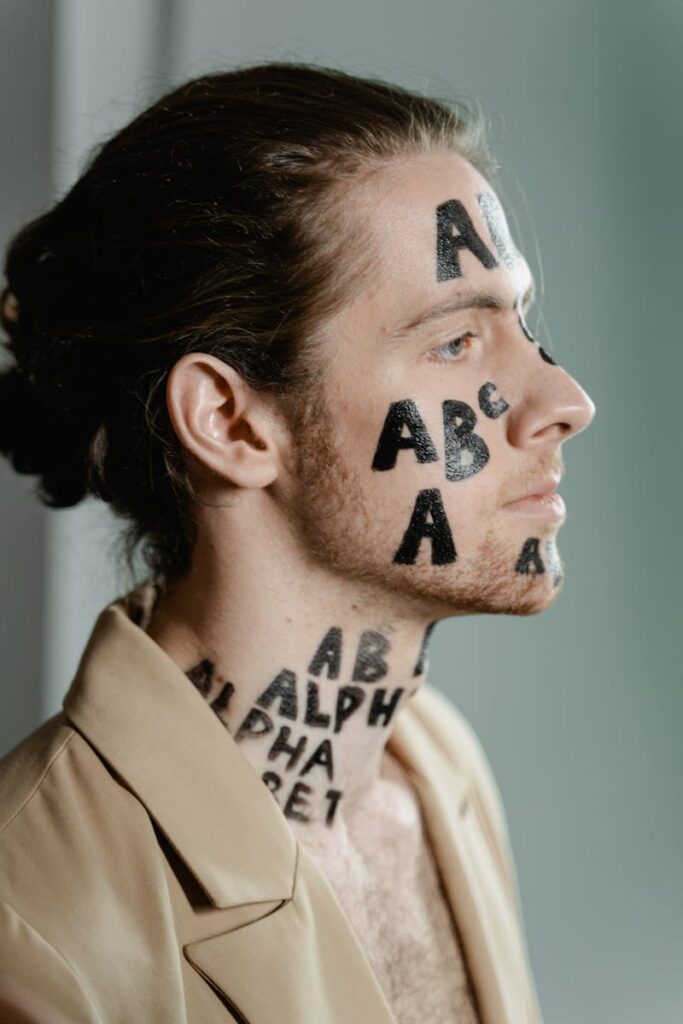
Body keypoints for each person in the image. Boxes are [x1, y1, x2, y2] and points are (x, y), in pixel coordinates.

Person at [0, 62, 594, 1024]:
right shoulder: (31, 925)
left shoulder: (436, 768)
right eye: (455, 342)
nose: (565, 400)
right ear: (231, 422)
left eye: (519, 323)